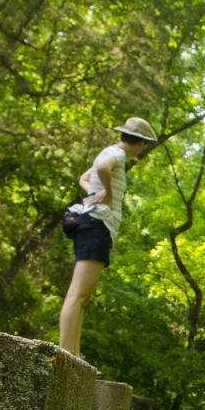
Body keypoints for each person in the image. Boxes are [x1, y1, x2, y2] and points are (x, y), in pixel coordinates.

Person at [58, 117, 156, 356]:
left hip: (93, 223)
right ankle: (66, 354)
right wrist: (108, 194)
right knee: (78, 294)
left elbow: (85, 177)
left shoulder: (110, 151)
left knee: (83, 296)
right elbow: (102, 168)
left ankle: (73, 353)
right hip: (96, 224)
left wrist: (96, 193)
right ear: (141, 142)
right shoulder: (119, 154)